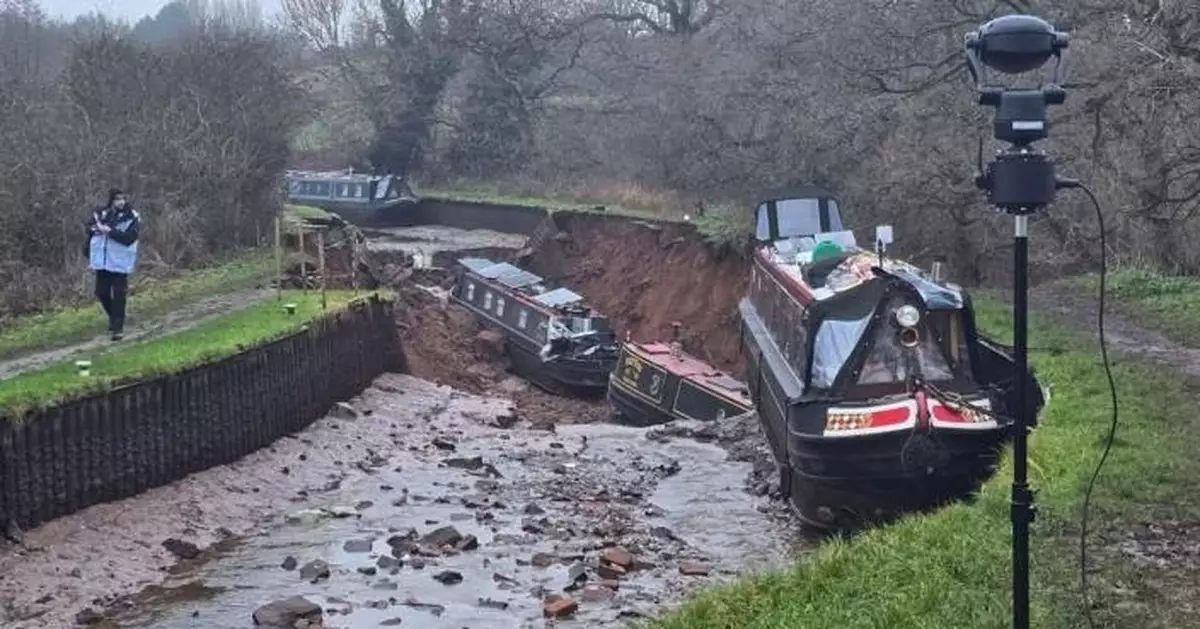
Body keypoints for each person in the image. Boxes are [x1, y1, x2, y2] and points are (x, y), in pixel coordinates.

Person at [85, 188, 140, 341]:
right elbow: (88, 228)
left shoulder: (132, 216)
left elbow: (130, 237)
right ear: (111, 200)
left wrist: (110, 232)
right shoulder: (102, 213)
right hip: (102, 262)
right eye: (117, 199)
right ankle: (114, 317)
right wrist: (96, 229)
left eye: (123, 199)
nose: (121, 202)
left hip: (120, 262)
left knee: (119, 294)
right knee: (101, 292)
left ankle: (118, 328)